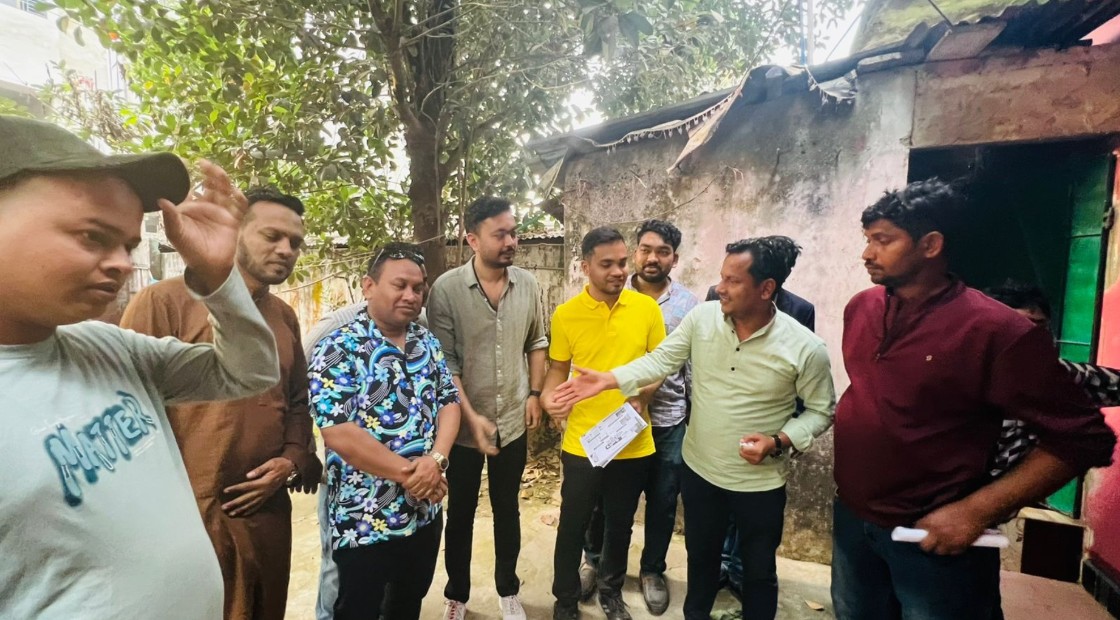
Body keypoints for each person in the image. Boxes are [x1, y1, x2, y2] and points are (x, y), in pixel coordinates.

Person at [0, 115, 279, 618]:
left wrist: (219, 277)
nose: (123, 263)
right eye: (92, 236)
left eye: (127, 245)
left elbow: (249, 373)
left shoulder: (107, 348)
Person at [831, 178, 1117, 620]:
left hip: (934, 535)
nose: (867, 253)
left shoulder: (997, 332)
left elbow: (1084, 438)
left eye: (883, 241)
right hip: (854, 520)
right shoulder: (862, 307)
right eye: (868, 239)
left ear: (931, 245)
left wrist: (975, 511)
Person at [553, 236, 836, 620]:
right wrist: (608, 380)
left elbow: (821, 411)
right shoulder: (702, 319)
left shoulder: (805, 347)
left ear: (766, 288)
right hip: (701, 475)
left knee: (758, 573)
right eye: (722, 277)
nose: (720, 288)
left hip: (759, 484)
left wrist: (778, 440)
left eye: (733, 281)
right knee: (701, 567)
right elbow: (660, 361)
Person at [120, 187, 322, 620]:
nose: (286, 250)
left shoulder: (283, 315)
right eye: (272, 236)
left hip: (266, 513)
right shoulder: (163, 302)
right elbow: (127, 410)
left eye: (295, 242)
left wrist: (290, 460)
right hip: (192, 515)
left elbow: (297, 401)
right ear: (235, 234)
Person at [308, 242, 461, 620]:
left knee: (407, 604)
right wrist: (413, 475)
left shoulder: (427, 342)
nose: (411, 295)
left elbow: (449, 402)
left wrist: (437, 460)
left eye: (418, 288)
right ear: (369, 286)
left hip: (423, 512)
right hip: (364, 518)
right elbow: (338, 431)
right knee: (357, 609)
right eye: (400, 285)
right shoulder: (338, 347)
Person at [427, 197, 549, 620]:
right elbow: (446, 365)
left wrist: (534, 394)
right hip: (461, 429)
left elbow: (537, 341)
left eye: (513, 232)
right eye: (500, 234)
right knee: (460, 512)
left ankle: (507, 590)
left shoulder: (528, 285)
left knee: (507, 508)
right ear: (473, 240)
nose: (511, 241)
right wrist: (471, 416)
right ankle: (457, 596)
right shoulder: (446, 290)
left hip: (512, 419)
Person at [541, 227, 666, 620]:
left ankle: (611, 593)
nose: (618, 271)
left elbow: (660, 365)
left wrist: (643, 396)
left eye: (622, 262)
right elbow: (557, 368)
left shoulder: (647, 309)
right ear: (585, 267)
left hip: (632, 440)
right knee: (572, 524)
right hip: (583, 441)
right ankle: (565, 601)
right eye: (607, 264)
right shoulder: (566, 315)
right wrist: (548, 398)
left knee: (620, 524)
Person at [580, 219, 698, 616]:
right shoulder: (613, 293)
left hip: (666, 421)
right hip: (612, 421)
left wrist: (683, 412)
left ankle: (652, 571)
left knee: (662, 501)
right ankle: (593, 562)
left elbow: (688, 367)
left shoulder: (689, 306)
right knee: (602, 501)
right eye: (646, 250)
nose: (652, 258)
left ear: (674, 259)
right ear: (635, 252)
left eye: (662, 252)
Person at [705, 236, 816, 603]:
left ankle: (740, 572)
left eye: (733, 279)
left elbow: (803, 382)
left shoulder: (800, 311)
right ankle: (719, 567)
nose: (723, 287)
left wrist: (788, 435)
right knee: (719, 512)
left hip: (767, 431)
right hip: (720, 427)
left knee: (755, 522)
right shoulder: (715, 300)